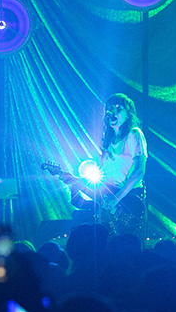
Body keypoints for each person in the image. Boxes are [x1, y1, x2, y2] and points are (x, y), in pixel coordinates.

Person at [62, 93, 147, 235]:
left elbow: (139, 171)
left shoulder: (134, 134)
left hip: (128, 198)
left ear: (128, 114)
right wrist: (73, 181)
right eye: (110, 109)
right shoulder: (107, 141)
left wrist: (117, 197)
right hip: (110, 198)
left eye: (118, 109)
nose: (113, 112)